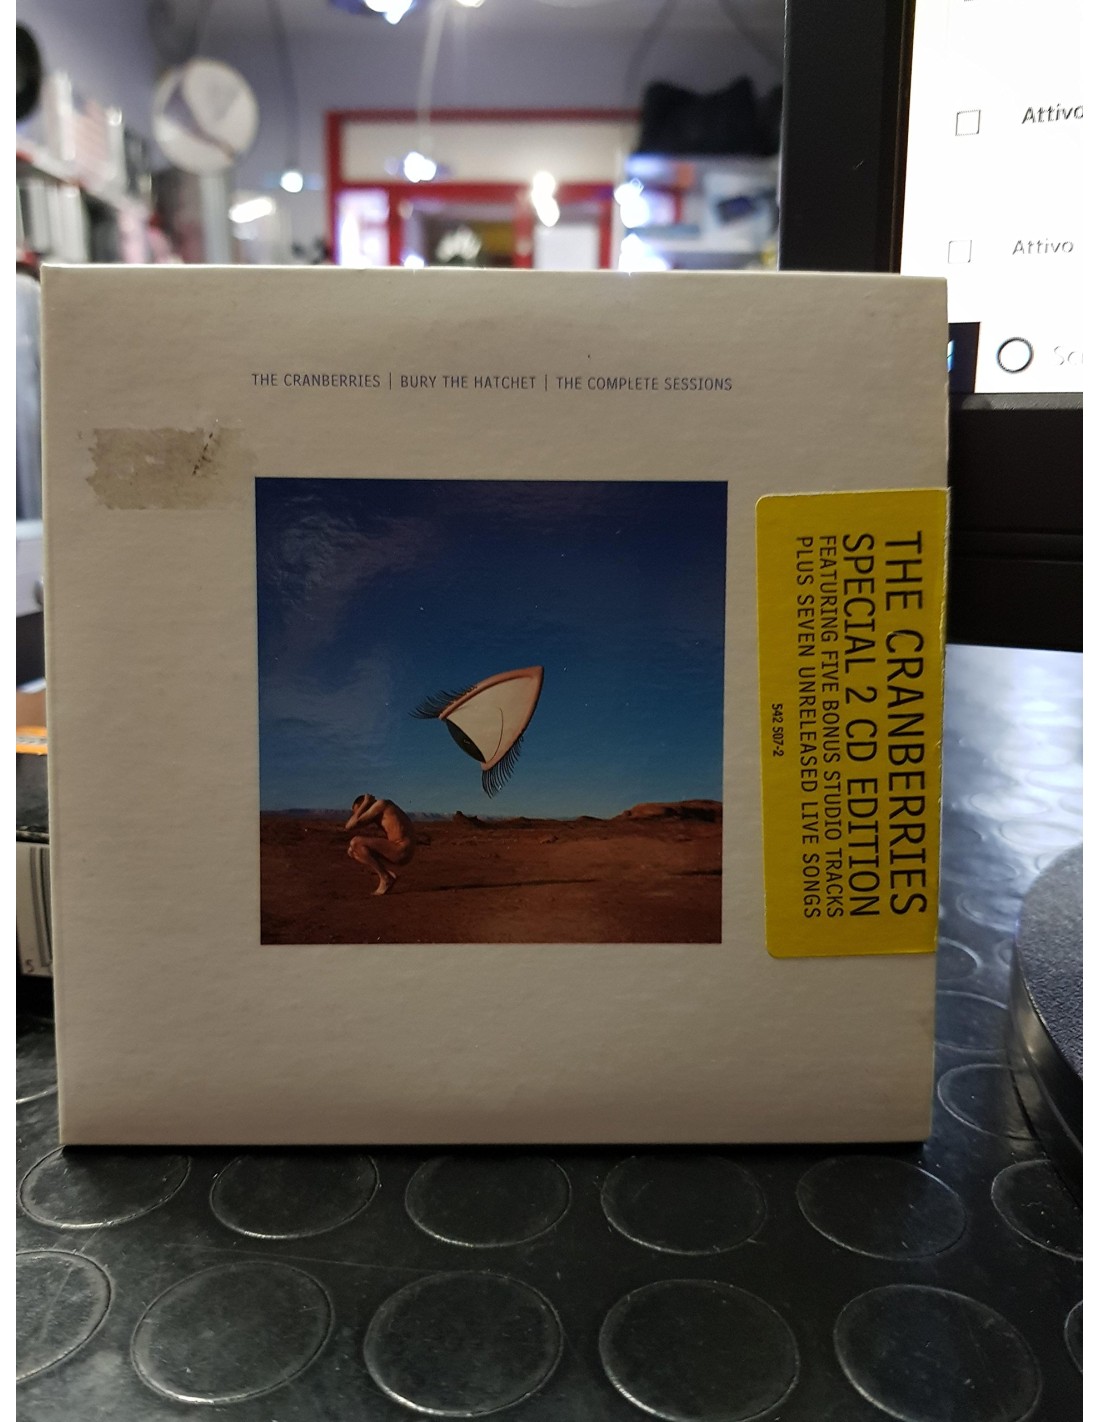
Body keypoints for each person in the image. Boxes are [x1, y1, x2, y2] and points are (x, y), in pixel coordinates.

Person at [344, 793, 415, 896]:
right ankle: (386, 874)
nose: (360, 814)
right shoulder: (381, 808)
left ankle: (385, 877)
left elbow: (349, 826)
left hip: (402, 850)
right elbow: (351, 824)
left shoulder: (381, 804)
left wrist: (365, 803)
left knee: (355, 842)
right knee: (352, 851)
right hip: (401, 850)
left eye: (360, 811)